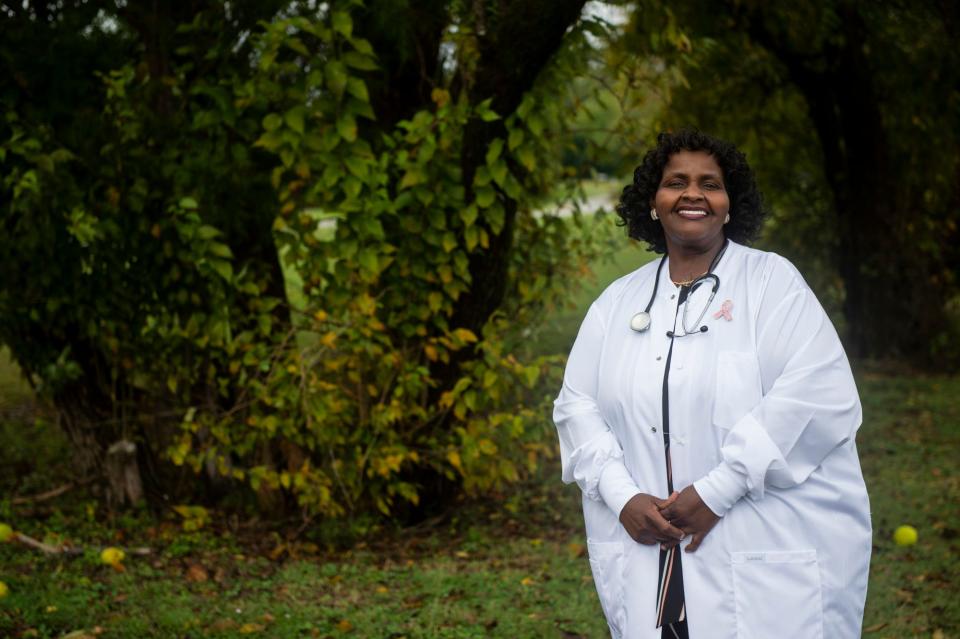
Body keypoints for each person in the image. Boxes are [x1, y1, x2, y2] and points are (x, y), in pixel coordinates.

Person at [553, 130, 871, 639]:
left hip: (762, 544)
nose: (693, 194)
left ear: (729, 205)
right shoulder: (617, 302)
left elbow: (813, 393)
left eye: (710, 184)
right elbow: (576, 407)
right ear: (653, 204)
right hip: (647, 545)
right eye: (676, 182)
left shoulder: (773, 283)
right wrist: (622, 496)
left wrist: (716, 491)